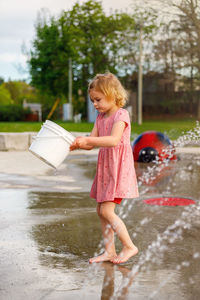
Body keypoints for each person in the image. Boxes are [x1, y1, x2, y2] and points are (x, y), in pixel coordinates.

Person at [70, 72, 139, 264]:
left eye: (98, 99)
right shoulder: (100, 118)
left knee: (108, 211)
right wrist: (76, 144)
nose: (95, 104)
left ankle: (129, 246)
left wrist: (88, 139)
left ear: (112, 93)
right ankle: (109, 251)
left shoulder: (121, 114)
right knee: (100, 210)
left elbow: (113, 140)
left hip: (118, 170)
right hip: (106, 169)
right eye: (93, 100)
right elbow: (91, 143)